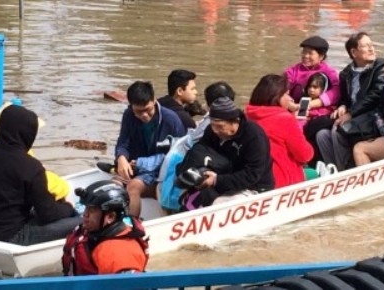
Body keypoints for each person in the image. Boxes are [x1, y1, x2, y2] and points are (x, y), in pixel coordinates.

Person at [0, 104, 81, 245]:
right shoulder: (31, 166)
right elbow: (48, 214)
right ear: (29, 134)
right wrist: (69, 207)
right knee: (82, 221)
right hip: (14, 236)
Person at [156, 81, 236, 213]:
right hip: (182, 163)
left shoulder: (208, 121)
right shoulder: (212, 125)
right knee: (175, 204)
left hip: (175, 160)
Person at [179, 97, 274, 207]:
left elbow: (252, 174)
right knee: (186, 196)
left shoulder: (254, 136)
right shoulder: (211, 132)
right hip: (223, 181)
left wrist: (217, 180)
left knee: (218, 205)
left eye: (220, 126)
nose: (215, 130)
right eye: (213, 125)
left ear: (234, 121)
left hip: (254, 187)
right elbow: (200, 152)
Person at [115, 81, 186, 217]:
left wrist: (141, 163)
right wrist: (121, 158)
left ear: (154, 101)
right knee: (114, 186)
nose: (144, 115)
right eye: (138, 112)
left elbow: (178, 155)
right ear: (131, 107)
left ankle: (132, 227)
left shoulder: (171, 119)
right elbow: (123, 142)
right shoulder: (128, 115)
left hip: (162, 172)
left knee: (133, 186)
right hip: (136, 168)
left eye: (148, 110)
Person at [318, 32, 384, 171]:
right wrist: (343, 106)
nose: (371, 49)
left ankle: (344, 171)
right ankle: (333, 169)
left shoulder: (380, 67)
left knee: (338, 130)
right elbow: (345, 98)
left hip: (373, 116)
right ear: (354, 52)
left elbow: (376, 95)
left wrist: (350, 113)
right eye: (366, 46)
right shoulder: (346, 73)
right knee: (321, 135)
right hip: (354, 116)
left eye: (371, 45)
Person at [62, 180, 148, 276]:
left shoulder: (117, 254)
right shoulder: (94, 229)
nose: (85, 214)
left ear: (110, 217)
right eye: (86, 208)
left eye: (92, 210)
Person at [245, 74, 313, 188]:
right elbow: (305, 155)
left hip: (253, 178)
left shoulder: (247, 115)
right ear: (276, 97)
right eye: (287, 94)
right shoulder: (285, 120)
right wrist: (296, 124)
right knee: (314, 173)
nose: (290, 98)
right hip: (282, 181)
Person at [284, 35, 340, 124]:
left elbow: (336, 92)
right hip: (295, 109)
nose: (305, 56)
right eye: (304, 52)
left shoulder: (329, 72)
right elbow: (280, 89)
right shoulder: (293, 71)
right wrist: (292, 106)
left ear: (321, 56)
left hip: (319, 111)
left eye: (310, 53)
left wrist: (310, 105)